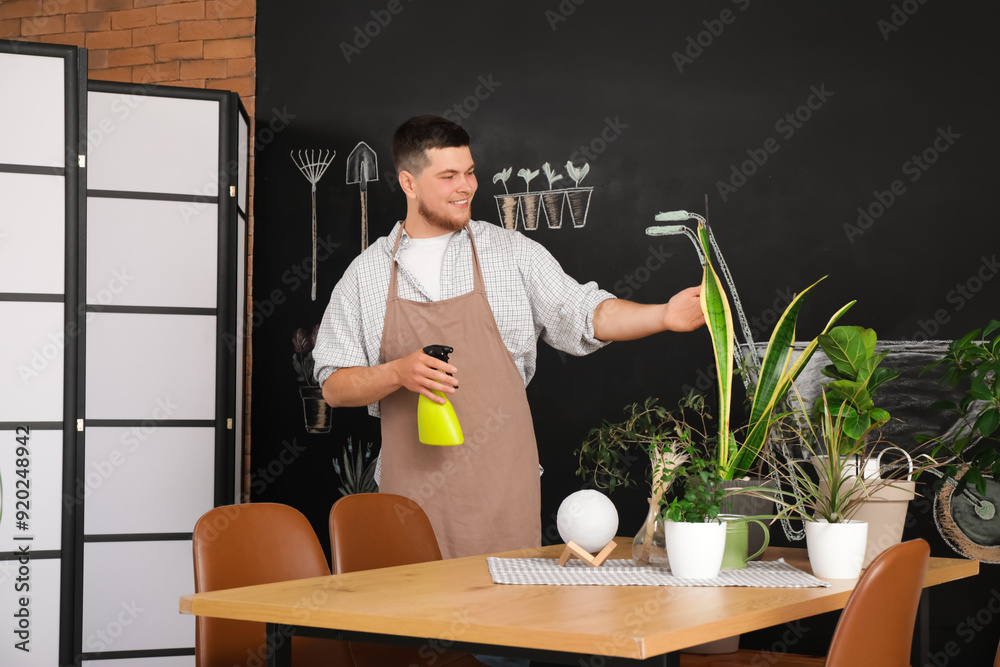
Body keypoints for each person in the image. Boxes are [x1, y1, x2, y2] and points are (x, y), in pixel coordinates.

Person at [314, 114, 705, 562]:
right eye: (448, 176)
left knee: (504, 620)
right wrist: (398, 372)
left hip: (500, 492)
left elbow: (586, 313)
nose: (466, 186)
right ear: (409, 182)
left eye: (470, 172)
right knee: (412, 624)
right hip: (408, 498)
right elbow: (333, 384)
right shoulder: (366, 274)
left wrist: (664, 315)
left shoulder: (511, 253)